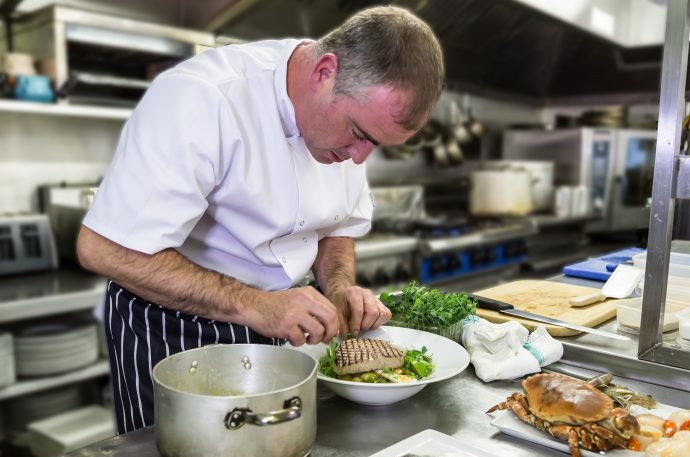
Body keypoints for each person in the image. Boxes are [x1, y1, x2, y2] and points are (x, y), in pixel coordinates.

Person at [76, 5, 445, 434]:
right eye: (360, 135)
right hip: (175, 332)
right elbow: (104, 247)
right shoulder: (202, 97)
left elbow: (337, 229)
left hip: (281, 327)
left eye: (377, 145)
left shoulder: (347, 119)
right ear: (325, 72)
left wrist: (339, 288)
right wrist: (258, 306)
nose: (360, 157)